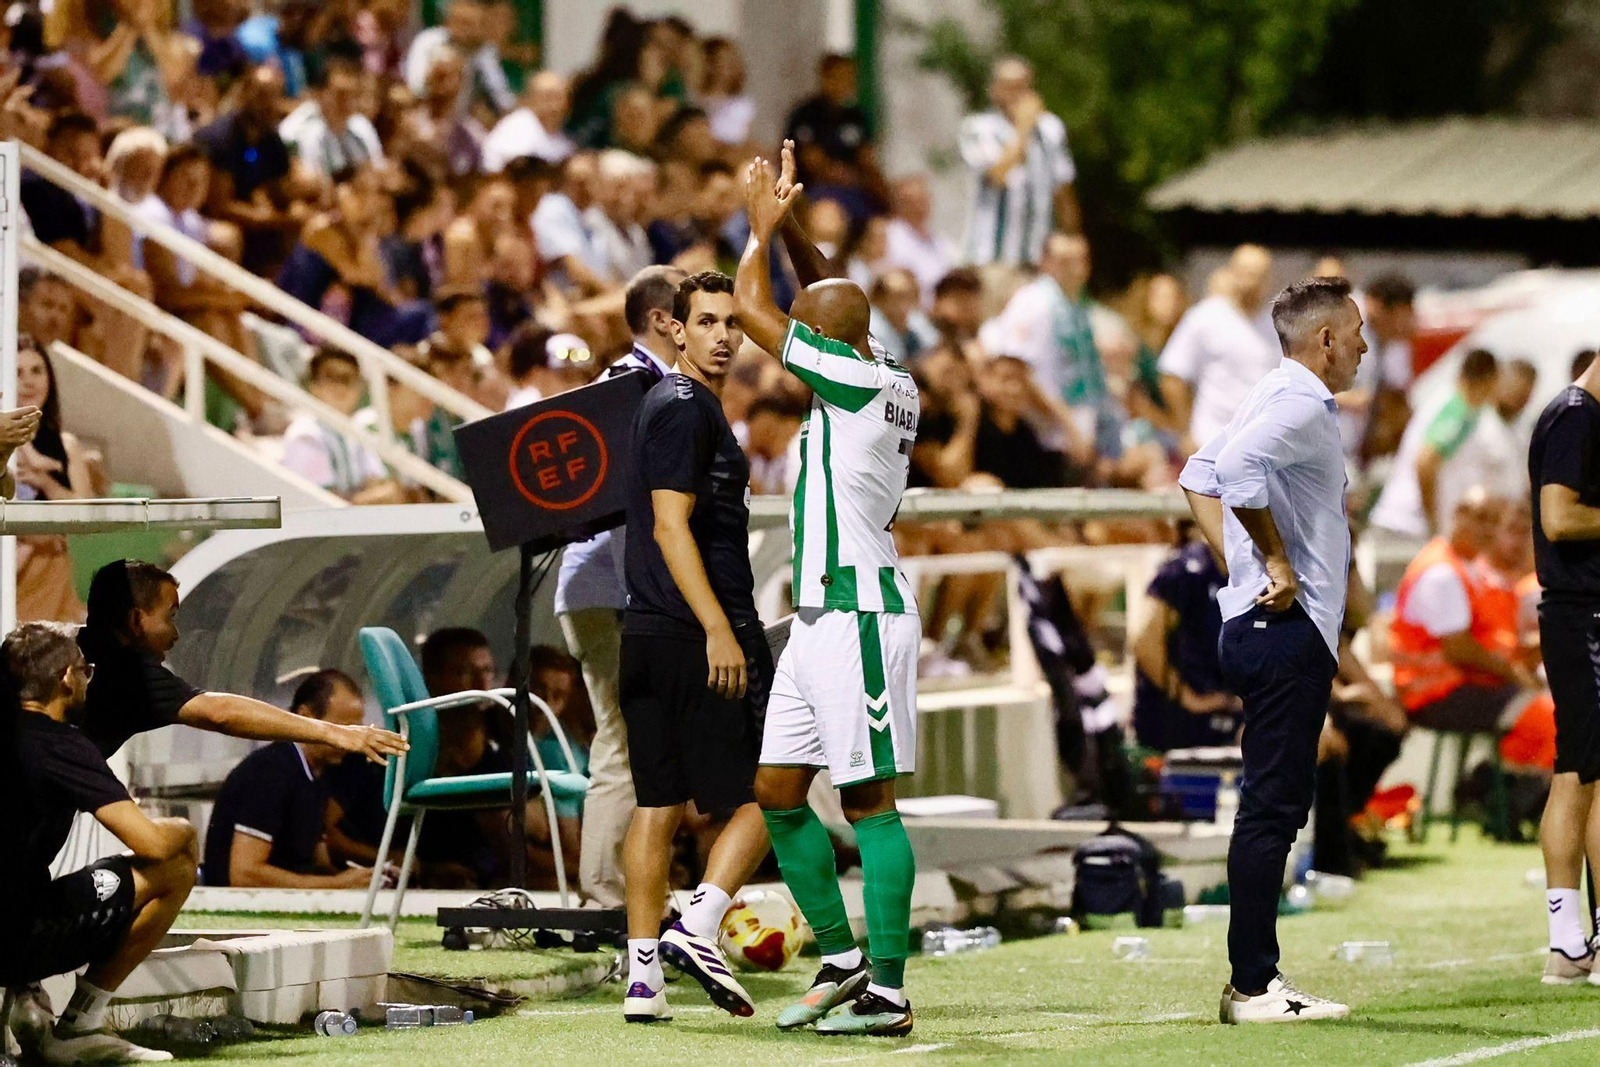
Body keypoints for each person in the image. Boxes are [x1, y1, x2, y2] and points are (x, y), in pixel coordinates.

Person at [735, 148, 921, 1037]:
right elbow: (829, 302)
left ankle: (887, 988)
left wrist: (758, 232)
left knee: (868, 800)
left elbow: (751, 310)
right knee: (776, 790)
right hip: (815, 620)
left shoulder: (855, 383)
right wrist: (800, 229)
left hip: (860, 614)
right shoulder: (870, 370)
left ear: (829, 344)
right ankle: (842, 958)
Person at [1179, 275, 1365, 1022]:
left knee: (1272, 806)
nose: (1361, 347)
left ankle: (1253, 978)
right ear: (1324, 339)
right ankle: (1254, 984)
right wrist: (1275, 563)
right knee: (1271, 810)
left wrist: (1242, 565)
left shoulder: (1269, 393)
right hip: (1284, 630)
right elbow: (1230, 472)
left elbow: (1196, 473)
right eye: (1355, 333)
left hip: (1260, 625)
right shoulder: (1296, 403)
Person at [618, 270, 772, 1023]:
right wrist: (718, 626)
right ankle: (701, 923)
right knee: (776, 785)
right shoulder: (685, 407)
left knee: (657, 803)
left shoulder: (668, 403)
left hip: (643, 632)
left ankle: (642, 977)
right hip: (693, 631)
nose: (721, 335)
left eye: (730, 323)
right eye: (706, 321)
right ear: (674, 329)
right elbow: (671, 525)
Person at [0, 623, 197, 1064]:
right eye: (86, 671)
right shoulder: (59, 742)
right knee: (176, 864)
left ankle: (25, 1000)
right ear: (67, 678)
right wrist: (184, 829)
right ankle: (78, 1028)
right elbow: (149, 843)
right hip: (13, 936)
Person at [555, 265, 683, 913]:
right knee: (622, 737)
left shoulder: (657, 385)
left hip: (621, 586)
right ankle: (603, 891)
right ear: (664, 319)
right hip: (607, 586)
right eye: (696, 313)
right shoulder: (625, 386)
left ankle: (629, 884)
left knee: (646, 738)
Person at [74, 559, 407, 766]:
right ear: (135, 620)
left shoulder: (63, 644)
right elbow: (222, 713)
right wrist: (336, 733)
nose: (175, 633)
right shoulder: (131, 673)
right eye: (170, 618)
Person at [1528, 348, 1600, 984]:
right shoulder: (1578, 418)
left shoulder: (1575, 415)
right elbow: (1559, 517)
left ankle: (1568, 944)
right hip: (1588, 617)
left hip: (1578, 619)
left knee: (1575, 772)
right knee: (1594, 775)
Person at [202, 670, 377, 888]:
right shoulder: (270, 773)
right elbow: (245, 874)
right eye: (343, 729)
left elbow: (317, 862)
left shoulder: (316, 776)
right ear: (306, 717)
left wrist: (363, 881)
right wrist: (337, 885)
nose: (352, 741)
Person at [980, 231, 1111, 456]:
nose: (1075, 268)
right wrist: (1069, 426)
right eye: (1065, 260)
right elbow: (1021, 371)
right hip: (1049, 435)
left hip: (1080, 427)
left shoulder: (1075, 306)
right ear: (1047, 262)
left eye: (1081, 260)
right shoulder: (1034, 302)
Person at [958, 55, 1080, 268]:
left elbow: (1062, 190)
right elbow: (996, 175)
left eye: (1024, 86)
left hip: (1039, 258)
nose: (1019, 95)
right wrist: (1022, 129)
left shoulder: (1050, 129)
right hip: (994, 258)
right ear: (995, 90)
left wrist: (1073, 239)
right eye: (1011, 87)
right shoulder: (978, 128)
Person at [1158, 244, 1278, 455]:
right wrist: (1185, 432)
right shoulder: (1205, 317)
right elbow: (1172, 376)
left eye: (1259, 275)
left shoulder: (1279, 324)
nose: (1251, 282)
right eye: (1246, 274)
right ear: (1231, 274)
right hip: (1211, 441)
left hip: (1263, 446)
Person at [1371, 348, 1500, 539]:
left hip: (1409, 521)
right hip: (1410, 523)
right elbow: (1425, 462)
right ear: (1489, 381)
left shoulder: (1456, 405)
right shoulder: (1457, 410)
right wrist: (1432, 519)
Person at [1130, 534, 1240, 752]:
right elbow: (1144, 644)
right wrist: (1190, 699)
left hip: (1233, 715)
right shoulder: (1185, 571)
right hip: (1182, 722)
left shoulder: (1258, 573)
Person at [13, 336, 92, 623]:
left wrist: (45, 482)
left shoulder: (66, 445)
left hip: (50, 572)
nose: (29, 382)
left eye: (37, 370)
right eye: (17, 373)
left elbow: (85, 515)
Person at [280, 348, 406, 504]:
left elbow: (385, 486)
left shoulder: (356, 432)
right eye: (331, 378)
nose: (340, 387)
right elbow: (325, 502)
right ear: (314, 386)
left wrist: (368, 497)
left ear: (359, 389)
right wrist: (369, 498)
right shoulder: (305, 434)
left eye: (348, 380)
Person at [783, 53, 885, 217]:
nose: (845, 83)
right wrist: (842, 174)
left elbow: (866, 159)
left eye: (850, 77)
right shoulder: (806, 113)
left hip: (855, 190)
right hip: (815, 189)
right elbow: (812, 160)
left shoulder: (857, 116)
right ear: (825, 77)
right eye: (839, 76)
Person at [402, 0, 514, 116]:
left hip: (460, 121)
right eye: (461, 23)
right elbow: (415, 88)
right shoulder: (428, 41)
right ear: (449, 21)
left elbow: (503, 100)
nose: (465, 31)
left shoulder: (483, 53)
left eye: (471, 25)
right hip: (425, 112)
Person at [280, 58, 384, 178]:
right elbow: (309, 182)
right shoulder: (297, 132)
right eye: (341, 94)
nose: (348, 102)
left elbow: (376, 170)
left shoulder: (361, 126)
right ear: (319, 94)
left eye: (353, 95)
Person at [882, 174, 955, 308]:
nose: (922, 205)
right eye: (914, 200)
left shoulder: (939, 241)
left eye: (924, 198)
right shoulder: (890, 235)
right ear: (900, 203)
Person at [481, 69, 574, 171]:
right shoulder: (519, 125)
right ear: (530, 99)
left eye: (559, 97)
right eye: (547, 97)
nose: (554, 105)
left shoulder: (562, 137)